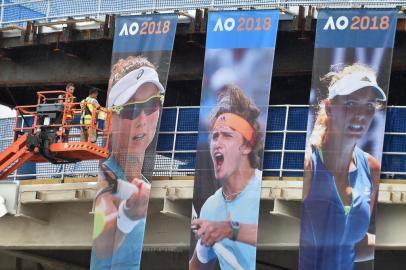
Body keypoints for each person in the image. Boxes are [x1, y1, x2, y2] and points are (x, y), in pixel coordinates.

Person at [299, 63, 385, 270]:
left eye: (369, 106)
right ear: (329, 108)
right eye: (350, 104)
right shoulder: (308, 165)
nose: (360, 115)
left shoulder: (372, 168)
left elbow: (352, 243)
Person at [90, 55, 164, 270]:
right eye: (131, 110)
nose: (142, 120)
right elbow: (103, 245)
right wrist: (128, 215)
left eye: (151, 105)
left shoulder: (141, 181)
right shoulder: (109, 178)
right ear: (112, 119)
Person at [189, 85, 263, 270]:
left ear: (247, 146)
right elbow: (199, 263)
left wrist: (230, 229)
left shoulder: (265, 190)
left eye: (227, 136)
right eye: (215, 136)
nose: (217, 144)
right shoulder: (211, 207)